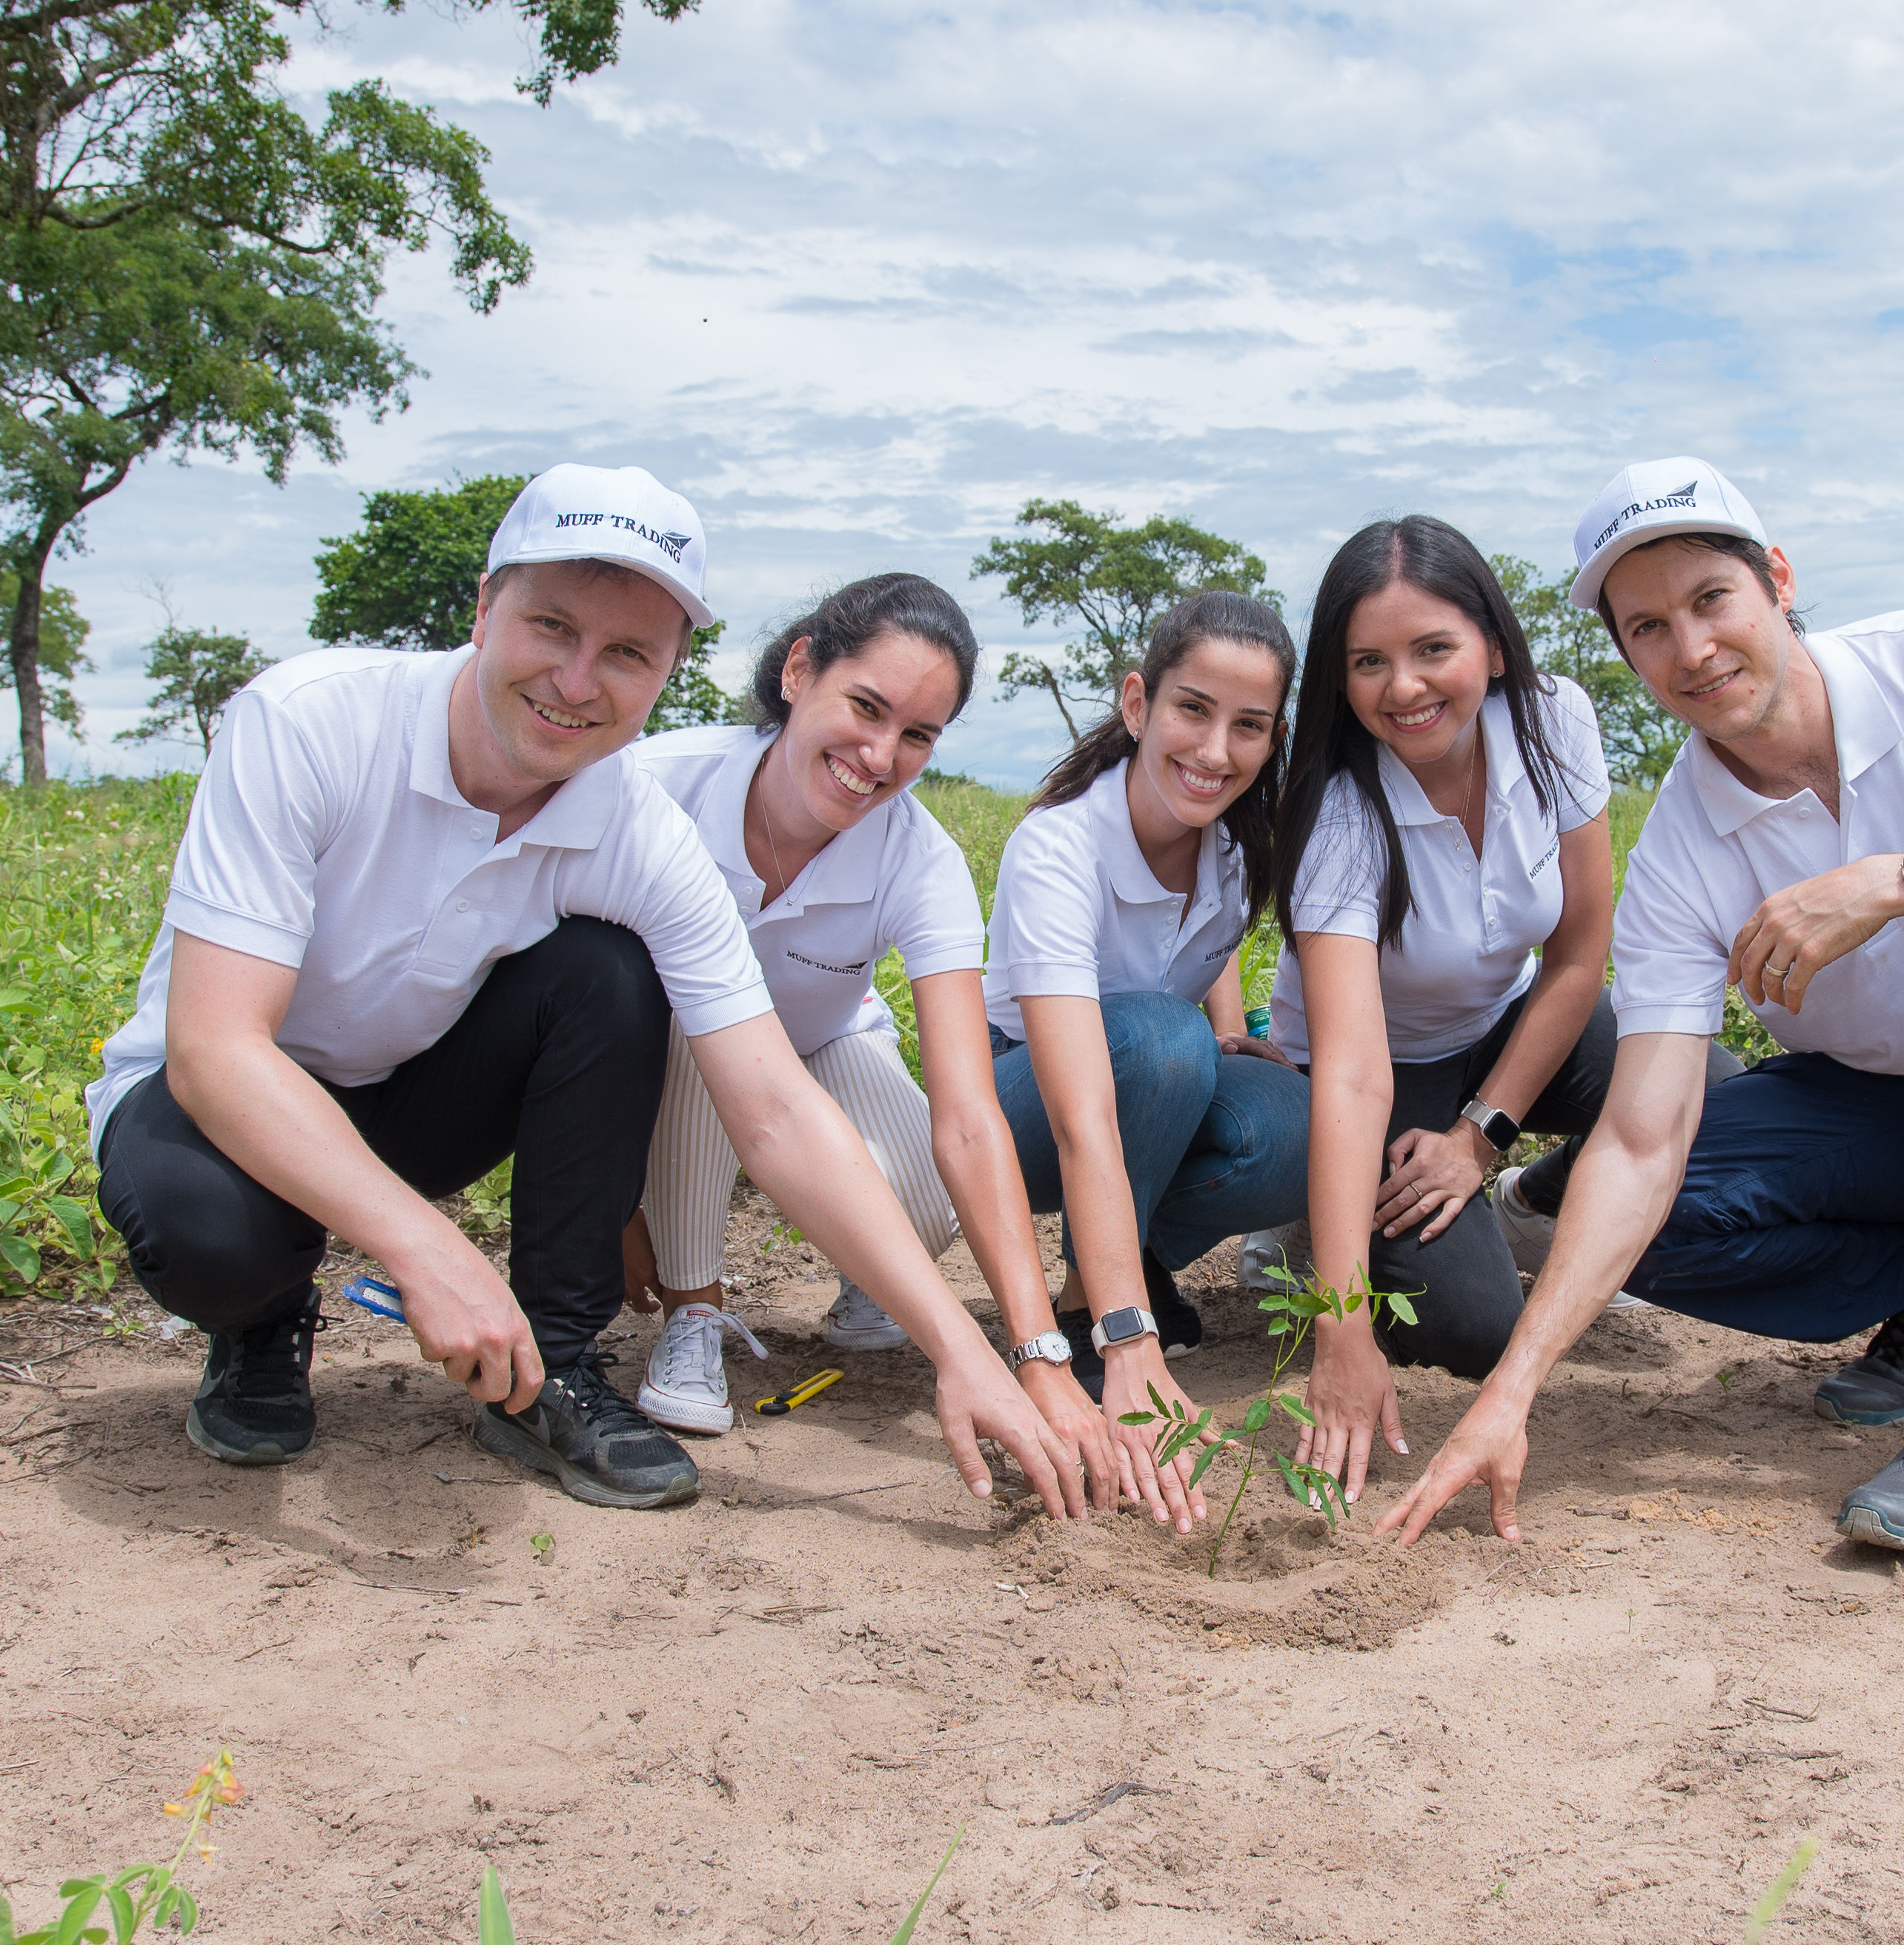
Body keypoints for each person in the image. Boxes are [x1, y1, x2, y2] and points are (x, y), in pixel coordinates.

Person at [87, 464, 1081, 1519]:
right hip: (222, 1100)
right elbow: (216, 1051)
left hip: (415, 1096)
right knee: (215, 1238)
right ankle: (261, 1328)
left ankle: (551, 1371)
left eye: (626, 654)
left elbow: (777, 1103)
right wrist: (429, 1247)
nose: (576, 681)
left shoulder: (637, 828)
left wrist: (964, 1351)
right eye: (551, 628)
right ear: (483, 607)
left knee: (608, 974)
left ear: (668, 670)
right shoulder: (309, 724)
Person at [1378, 456, 1904, 1557]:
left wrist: (1898, 881)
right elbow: (1643, 1139)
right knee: (1647, 1212)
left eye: (1711, 600)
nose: (1692, 650)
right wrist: (1512, 1394)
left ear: (1777, 579)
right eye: (1646, 628)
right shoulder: (1684, 848)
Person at [616, 573, 1122, 1505]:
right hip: (672, 1059)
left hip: (825, 1042)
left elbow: (970, 1117)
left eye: (918, 735)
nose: (879, 755)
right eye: (866, 706)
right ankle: (696, 1309)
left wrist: (1038, 1353)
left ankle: (872, 1286)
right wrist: (615, 1203)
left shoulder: (921, 856)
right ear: (800, 670)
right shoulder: (654, 785)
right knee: (709, 1019)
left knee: (933, 1190)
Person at [1261, 514, 1705, 1508]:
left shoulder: (1555, 721)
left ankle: (1539, 1199)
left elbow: (1580, 952)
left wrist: (1482, 1135)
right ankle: (1313, 1228)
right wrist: (1340, 1326)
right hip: (1386, 1069)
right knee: (1472, 1326)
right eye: (1368, 661)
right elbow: (1351, 1071)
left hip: (1512, 1032)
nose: (1404, 687)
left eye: (1433, 650)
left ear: (1493, 647)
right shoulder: (1339, 811)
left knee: (1705, 1095)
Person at [983, 591, 1312, 1531]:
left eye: (1248, 727)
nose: (1215, 750)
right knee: (1161, 1043)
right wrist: (1128, 1341)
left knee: (1290, 1121)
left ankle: (1132, 1267)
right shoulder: (1060, 847)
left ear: (1272, 737)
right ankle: (1102, 1307)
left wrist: (1230, 1022)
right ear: (1138, 704)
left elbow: (1196, 943)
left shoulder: (1241, 842)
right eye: (1192, 709)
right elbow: (1085, 1107)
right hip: (1025, 1106)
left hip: (1148, 1082)